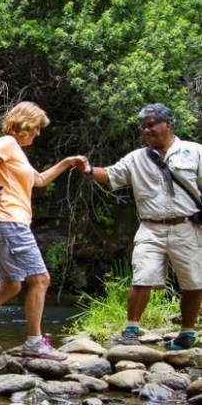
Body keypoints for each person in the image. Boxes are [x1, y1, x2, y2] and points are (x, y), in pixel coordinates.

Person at [0, 101, 84, 361]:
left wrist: (68, 162)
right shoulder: (6, 143)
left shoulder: (17, 151)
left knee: (11, 285)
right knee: (40, 280)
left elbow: (39, 180)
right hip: (9, 223)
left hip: (6, 225)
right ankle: (35, 342)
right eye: (37, 128)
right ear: (24, 124)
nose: (38, 134)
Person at [81, 103, 202, 349]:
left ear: (167, 124)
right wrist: (90, 170)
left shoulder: (195, 151)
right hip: (150, 227)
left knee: (193, 281)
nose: (147, 130)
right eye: (143, 127)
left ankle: (187, 332)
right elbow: (112, 175)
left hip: (188, 226)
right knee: (142, 276)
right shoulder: (136, 158)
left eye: (151, 125)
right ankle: (131, 329)